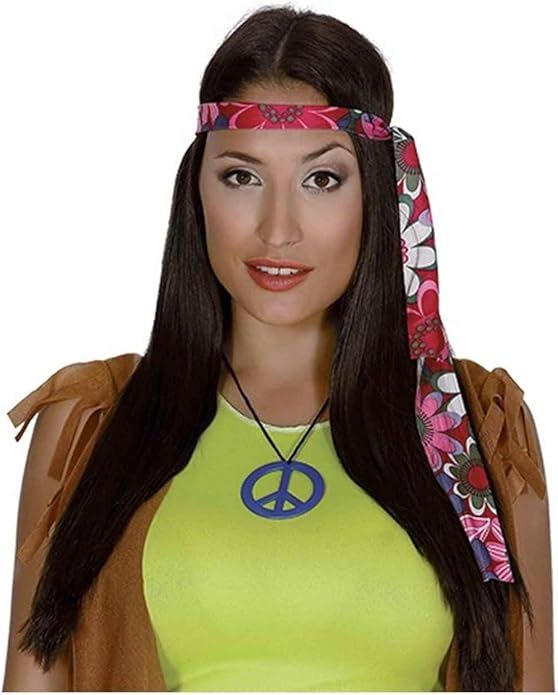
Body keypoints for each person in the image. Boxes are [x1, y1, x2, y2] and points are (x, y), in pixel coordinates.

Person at [3, 5, 553, 692]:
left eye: (322, 179)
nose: (278, 229)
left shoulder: (477, 428)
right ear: (196, 189)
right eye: (242, 176)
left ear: (381, 194)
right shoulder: (90, 428)